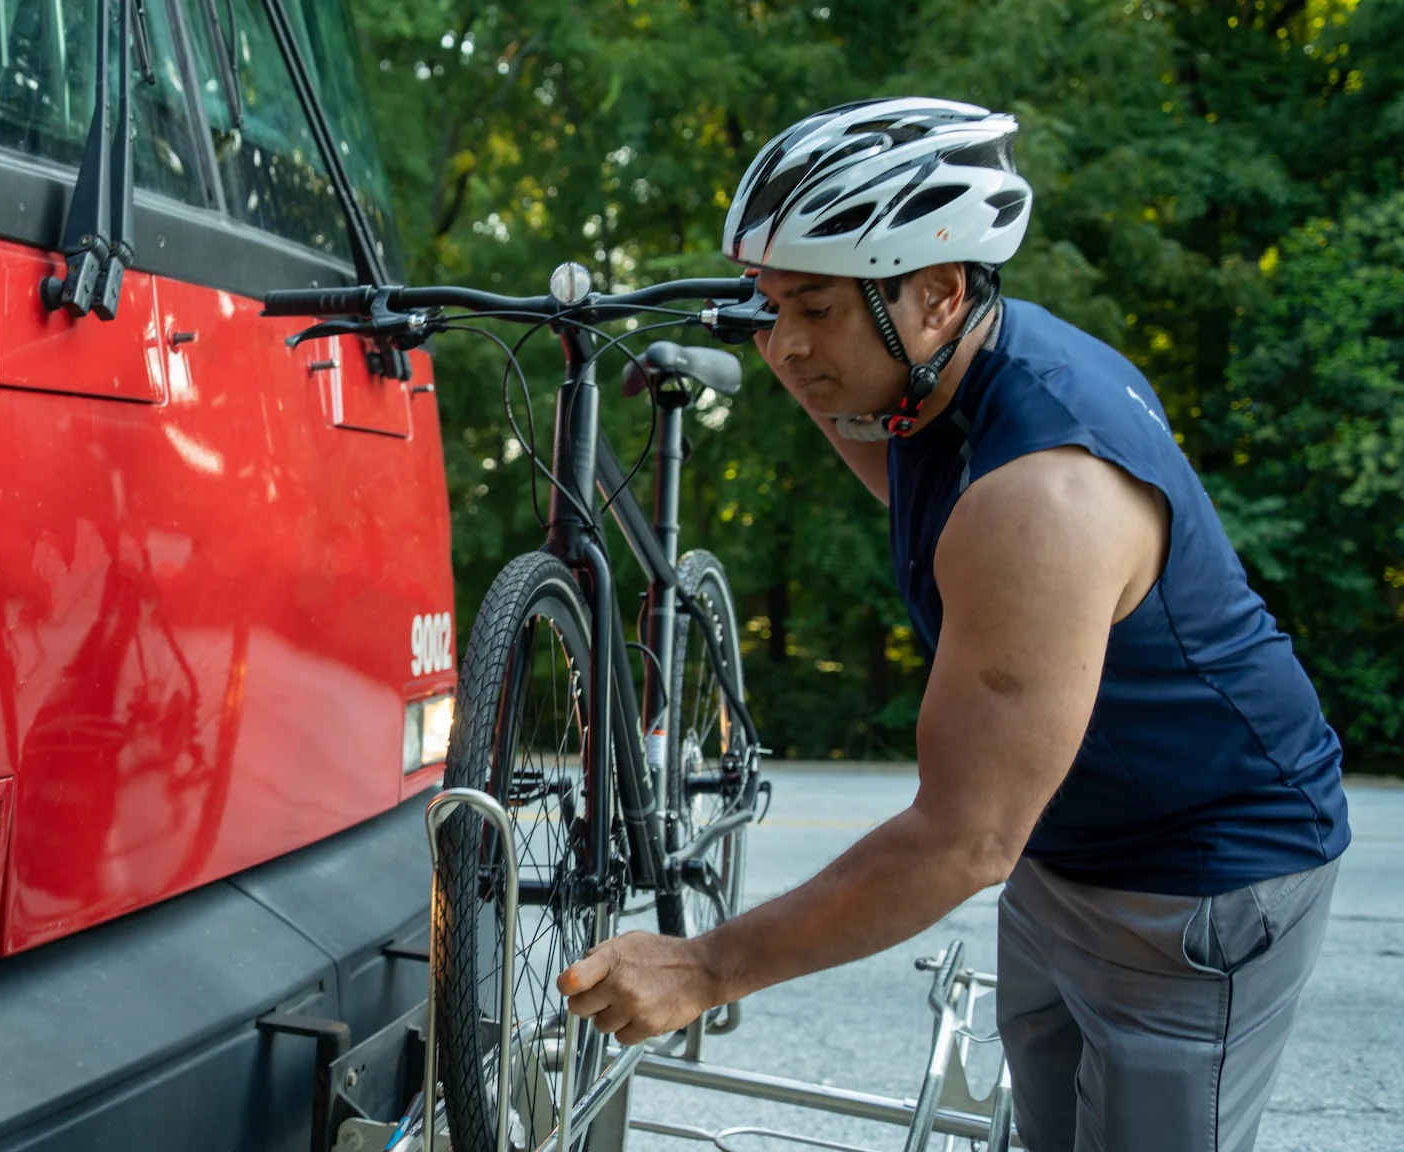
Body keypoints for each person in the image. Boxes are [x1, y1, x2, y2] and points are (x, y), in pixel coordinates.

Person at [556, 97, 1351, 1152]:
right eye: (765, 306)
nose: (779, 346)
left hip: (1196, 881)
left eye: (813, 308)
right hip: (1069, 847)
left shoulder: (1042, 497)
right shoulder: (945, 384)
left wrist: (704, 969)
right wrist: (803, 343)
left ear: (936, 292)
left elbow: (963, 838)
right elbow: (882, 452)